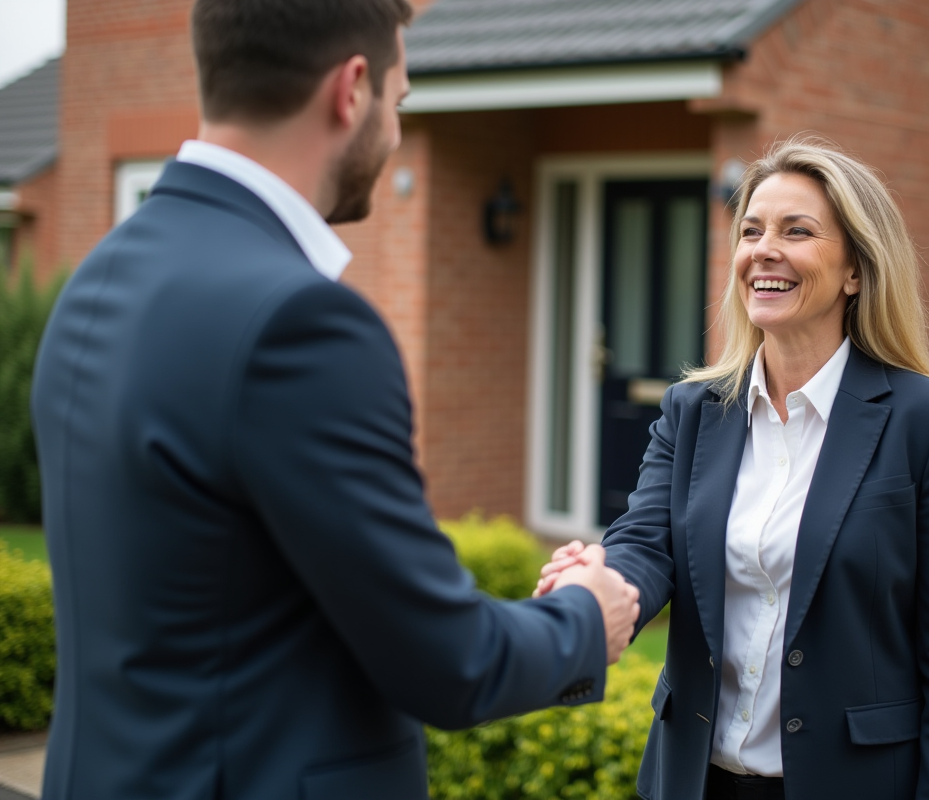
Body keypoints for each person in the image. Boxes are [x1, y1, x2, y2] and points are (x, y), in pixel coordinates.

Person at [31, 1, 638, 798]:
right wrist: (587, 618)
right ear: (353, 90)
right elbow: (448, 663)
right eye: (401, 102)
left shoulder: (99, 276)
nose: (393, 132)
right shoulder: (301, 322)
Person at [537, 138, 929, 800]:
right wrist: (591, 589)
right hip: (695, 779)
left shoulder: (928, 422)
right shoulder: (694, 410)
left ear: (855, 271)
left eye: (796, 231)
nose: (763, 249)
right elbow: (644, 545)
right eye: (751, 230)